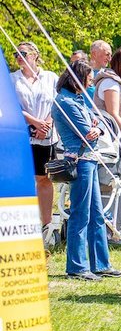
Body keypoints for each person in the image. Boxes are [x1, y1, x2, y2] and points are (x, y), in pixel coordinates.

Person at [51, 59, 121, 280]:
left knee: (96, 214)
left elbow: (100, 124)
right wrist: (94, 129)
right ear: (78, 79)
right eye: (88, 79)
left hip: (90, 158)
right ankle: (77, 266)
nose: (90, 83)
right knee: (80, 213)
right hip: (80, 160)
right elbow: (85, 131)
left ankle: (100, 263)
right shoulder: (66, 102)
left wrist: (96, 129)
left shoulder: (78, 99)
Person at [11, 41, 58, 233]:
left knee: (43, 178)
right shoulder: (12, 79)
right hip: (22, 133)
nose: (18, 56)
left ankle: (46, 224)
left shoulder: (50, 77)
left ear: (34, 55)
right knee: (21, 177)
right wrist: (34, 122)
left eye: (22, 53)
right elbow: (10, 105)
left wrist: (45, 124)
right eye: (15, 54)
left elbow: (57, 102)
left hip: (46, 134)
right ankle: (22, 223)